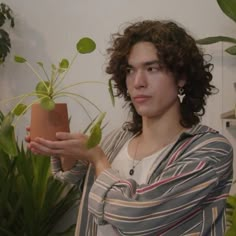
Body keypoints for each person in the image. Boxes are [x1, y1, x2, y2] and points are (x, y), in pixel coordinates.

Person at [27, 20, 233, 236]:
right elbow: (85, 184)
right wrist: (62, 147)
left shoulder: (211, 150)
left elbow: (139, 216)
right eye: (130, 70)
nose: (138, 82)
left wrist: (97, 158)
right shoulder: (116, 140)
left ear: (181, 77)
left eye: (152, 68)